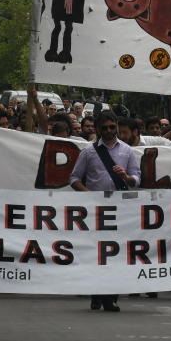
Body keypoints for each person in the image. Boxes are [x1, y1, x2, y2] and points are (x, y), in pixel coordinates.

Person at [69, 110, 140, 312]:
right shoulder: (89, 152)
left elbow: (136, 178)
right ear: (98, 128)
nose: (109, 131)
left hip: (120, 209)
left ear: (116, 126)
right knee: (96, 253)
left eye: (112, 127)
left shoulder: (127, 150)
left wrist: (126, 177)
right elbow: (74, 178)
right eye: (105, 127)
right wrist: (88, 194)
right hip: (95, 210)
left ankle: (111, 297)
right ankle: (96, 292)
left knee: (116, 253)